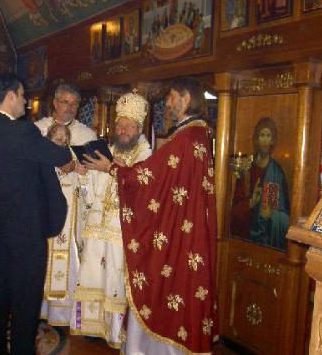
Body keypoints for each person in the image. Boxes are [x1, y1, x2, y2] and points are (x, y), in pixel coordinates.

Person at [83, 78, 218, 354]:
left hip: (179, 234)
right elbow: (162, 179)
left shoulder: (187, 138)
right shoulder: (195, 135)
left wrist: (113, 169)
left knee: (167, 284)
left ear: (185, 99)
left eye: (171, 97)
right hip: (184, 228)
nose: (167, 103)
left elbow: (150, 180)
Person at [0, 73, 72, 355]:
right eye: (23, 95)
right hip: (26, 230)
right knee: (26, 299)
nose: (27, 102)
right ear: (10, 96)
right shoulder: (22, 131)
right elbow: (60, 157)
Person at [70, 91, 152, 349]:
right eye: (120, 125)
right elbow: (92, 188)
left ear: (138, 128)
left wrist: (112, 170)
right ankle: (94, 326)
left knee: (116, 280)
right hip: (98, 225)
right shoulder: (109, 148)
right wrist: (86, 172)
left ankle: (117, 333)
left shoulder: (145, 154)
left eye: (128, 126)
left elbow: (144, 188)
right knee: (94, 274)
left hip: (122, 229)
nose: (123, 129)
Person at [36, 83, 97, 327]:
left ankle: (65, 313)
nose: (69, 107)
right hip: (42, 203)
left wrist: (83, 171)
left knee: (70, 256)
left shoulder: (87, 135)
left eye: (74, 103)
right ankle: (38, 306)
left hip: (73, 206)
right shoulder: (38, 130)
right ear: (54, 102)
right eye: (64, 102)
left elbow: (95, 173)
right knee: (42, 254)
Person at [231, 117, 290, 250]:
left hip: (267, 241)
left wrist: (272, 215)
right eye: (262, 135)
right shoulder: (247, 168)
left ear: (273, 140)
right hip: (245, 238)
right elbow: (233, 209)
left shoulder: (276, 173)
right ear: (256, 139)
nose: (265, 140)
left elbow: (286, 216)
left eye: (268, 135)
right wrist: (250, 203)